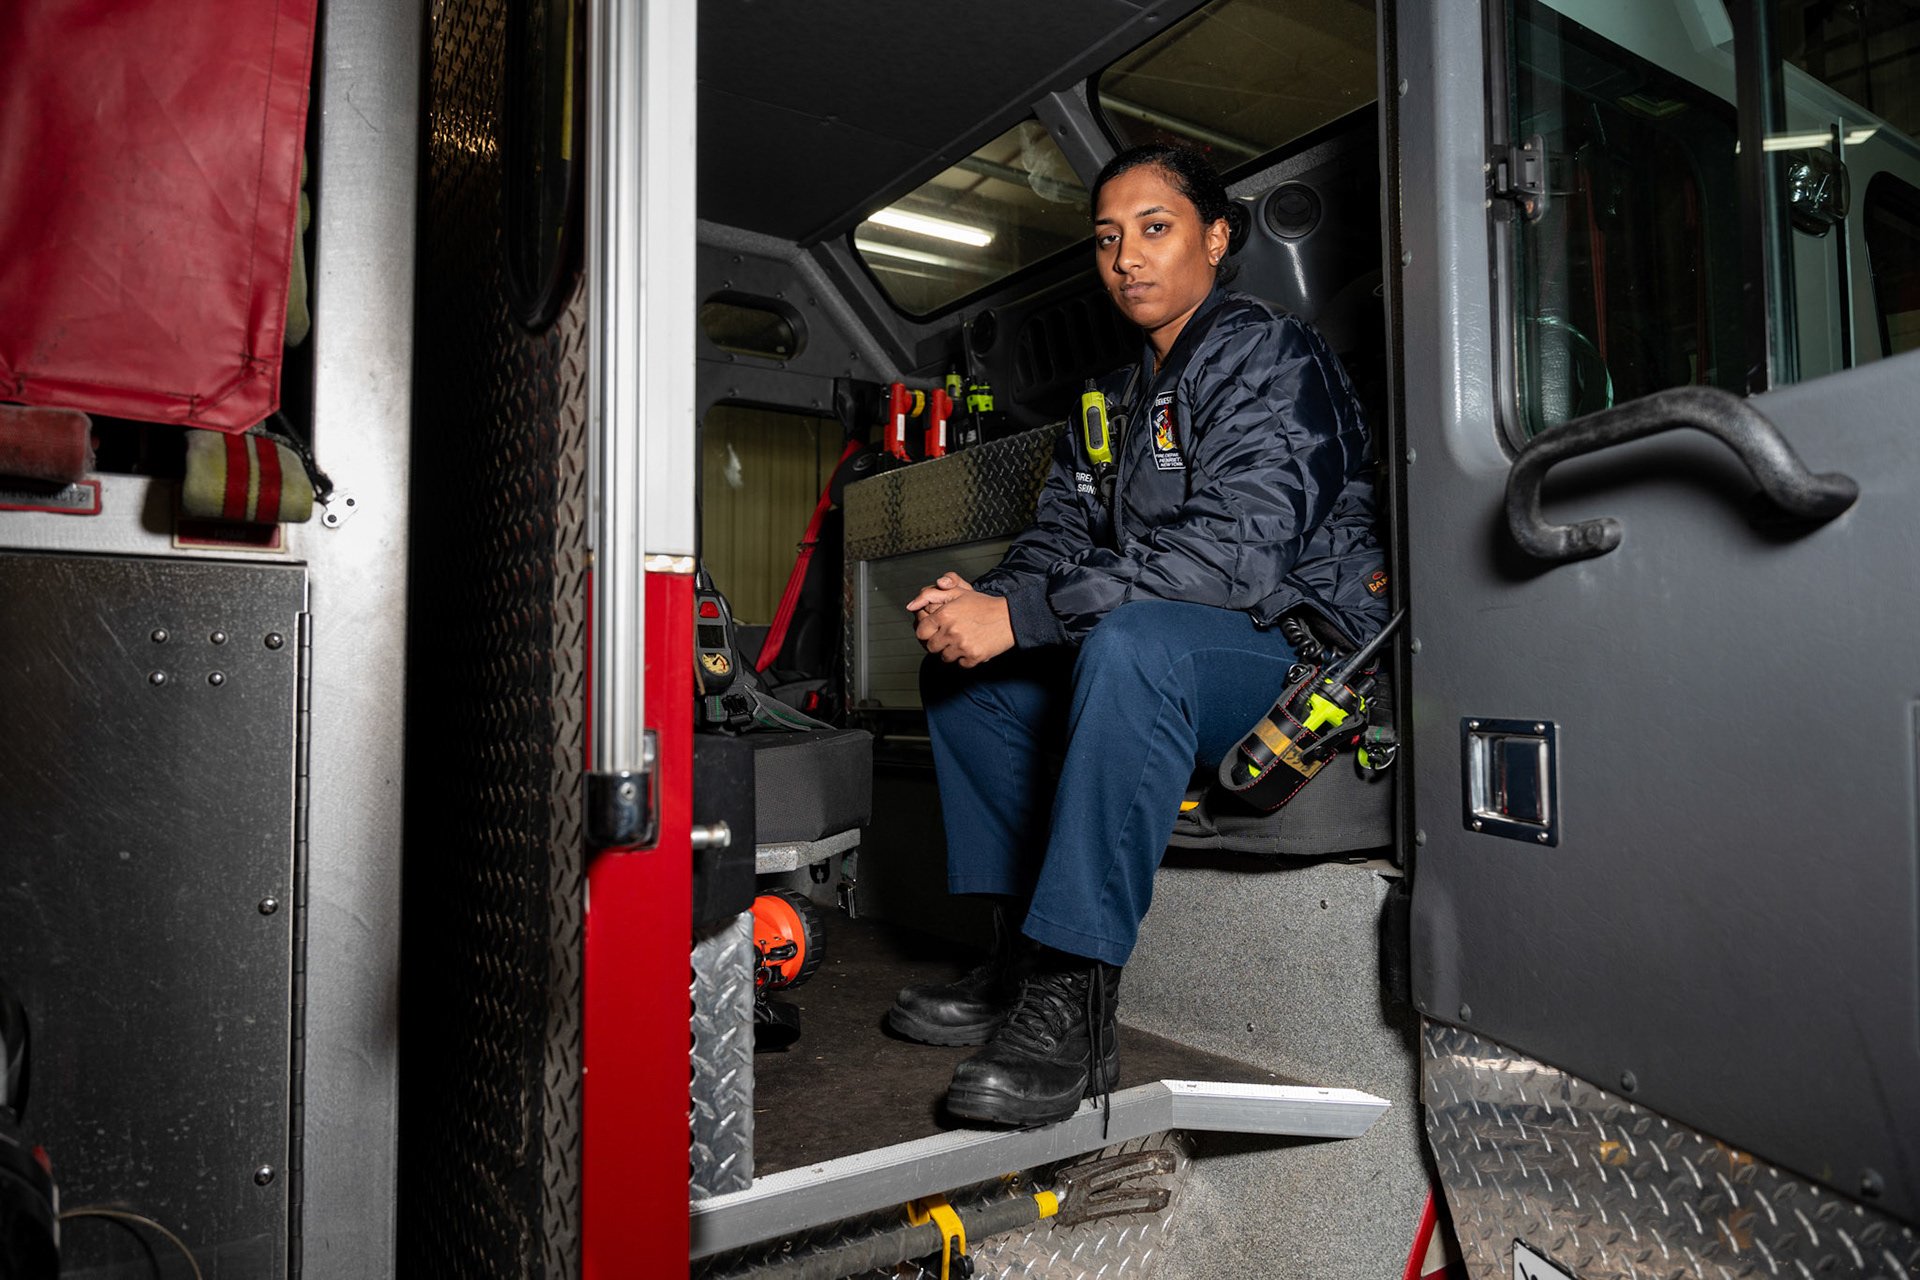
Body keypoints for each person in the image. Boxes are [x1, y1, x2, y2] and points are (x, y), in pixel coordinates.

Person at [887, 143, 1389, 1127]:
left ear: (1215, 236)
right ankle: (1016, 958)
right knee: (969, 679)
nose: (1127, 259)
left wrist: (1024, 617)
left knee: (1135, 644)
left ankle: (1072, 1001)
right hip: (1174, 643)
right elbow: (1056, 541)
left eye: (1155, 229)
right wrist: (980, 606)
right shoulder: (1109, 403)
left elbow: (1236, 558)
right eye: (1109, 239)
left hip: (1296, 658)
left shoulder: (1270, 357)